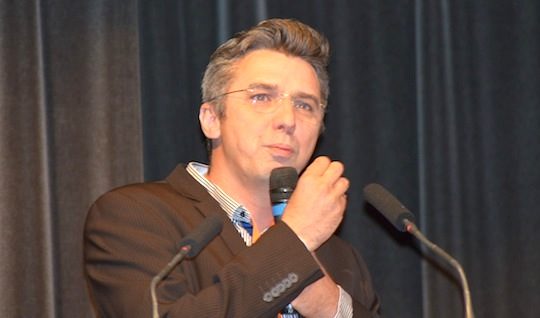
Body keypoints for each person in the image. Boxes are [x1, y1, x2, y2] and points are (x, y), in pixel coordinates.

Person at [84, 18, 380, 317]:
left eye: (305, 105)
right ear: (211, 119)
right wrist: (293, 244)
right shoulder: (134, 216)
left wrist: (329, 305)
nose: (288, 120)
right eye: (261, 97)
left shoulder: (341, 257)